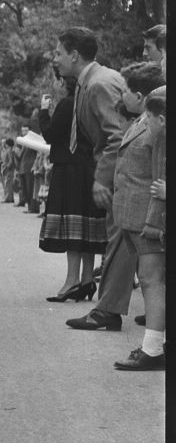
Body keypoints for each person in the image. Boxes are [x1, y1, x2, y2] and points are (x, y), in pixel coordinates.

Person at [66, 60, 164, 331]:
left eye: (126, 91)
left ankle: (112, 312)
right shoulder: (140, 121)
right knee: (136, 267)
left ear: (140, 97)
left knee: (149, 275)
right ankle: (108, 308)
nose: (121, 96)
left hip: (142, 208)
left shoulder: (154, 127)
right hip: (130, 205)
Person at [51, 27, 138, 331]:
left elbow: (117, 137)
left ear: (74, 55)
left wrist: (102, 179)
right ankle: (108, 308)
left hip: (119, 172)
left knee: (118, 240)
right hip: (116, 169)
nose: (55, 59)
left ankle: (108, 310)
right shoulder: (93, 81)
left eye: (58, 53)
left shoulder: (99, 84)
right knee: (118, 240)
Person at [38, 74, 106, 301]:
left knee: (72, 221)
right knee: (86, 222)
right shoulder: (89, 101)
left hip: (69, 169)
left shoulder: (68, 104)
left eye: (57, 80)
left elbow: (50, 134)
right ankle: (87, 279)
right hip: (89, 166)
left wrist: (43, 112)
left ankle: (72, 280)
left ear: (64, 84)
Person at [115, 86, 166, 370]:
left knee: (151, 279)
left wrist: (152, 221)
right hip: (144, 215)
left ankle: (153, 349)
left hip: (152, 217)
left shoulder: (161, 135)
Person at [0, 137, 16, 203]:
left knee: (8, 184)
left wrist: (7, 167)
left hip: (8, 169)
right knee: (8, 184)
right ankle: (10, 198)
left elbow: (11, 161)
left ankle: (7, 198)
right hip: (7, 168)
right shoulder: (9, 150)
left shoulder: (10, 150)